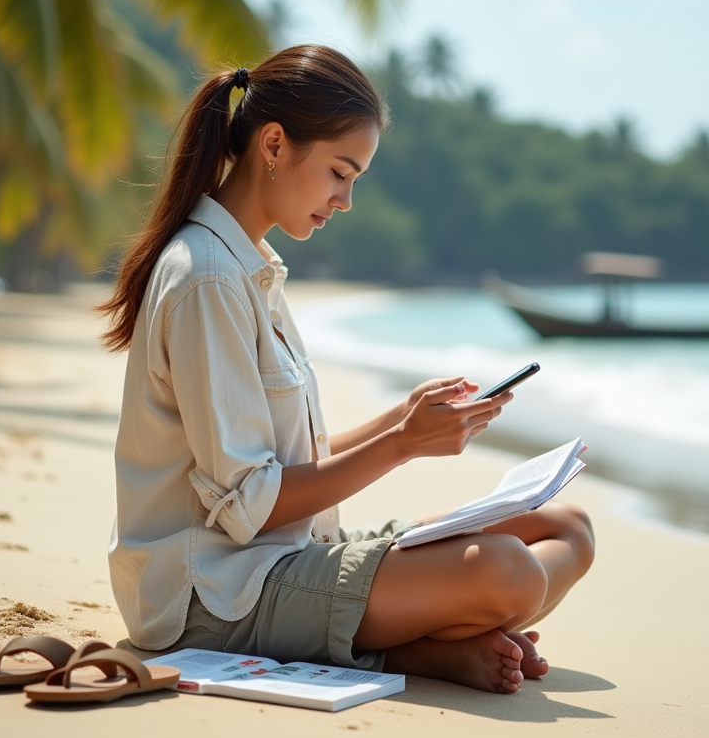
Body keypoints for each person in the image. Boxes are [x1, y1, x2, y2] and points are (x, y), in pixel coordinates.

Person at [97, 45, 594, 694]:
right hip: (215, 599)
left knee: (567, 527)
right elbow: (251, 506)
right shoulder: (208, 280)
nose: (347, 199)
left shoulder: (252, 267)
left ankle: (420, 640)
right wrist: (402, 445)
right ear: (273, 144)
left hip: (289, 558)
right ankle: (412, 649)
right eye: (340, 172)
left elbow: (281, 468)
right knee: (509, 573)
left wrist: (402, 421)